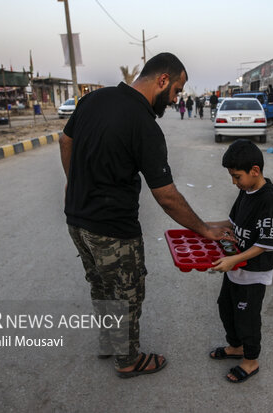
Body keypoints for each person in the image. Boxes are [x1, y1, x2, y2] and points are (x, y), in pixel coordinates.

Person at [58, 52, 230, 378]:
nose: (176, 99)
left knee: (100, 286)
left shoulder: (94, 99)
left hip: (77, 222)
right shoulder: (144, 125)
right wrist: (205, 230)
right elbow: (166, 196)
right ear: (162, 80)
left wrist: (73, 182)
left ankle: (109, 341)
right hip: (114, 230)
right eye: (177, 91)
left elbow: (65, 141)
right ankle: (128, 360)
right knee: (127, 294)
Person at [208, 139, 273, 383]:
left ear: (255, 171)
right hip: (235, 266)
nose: (234, 182)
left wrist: (234, 260)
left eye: (237, 176)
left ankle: (251, 360)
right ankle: (236, 346)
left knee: (247, 318)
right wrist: (203, 226)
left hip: (253, 271)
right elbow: (230, 222)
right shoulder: (245, 191)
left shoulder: (267, 198)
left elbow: (264, 244)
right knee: (225, 307)